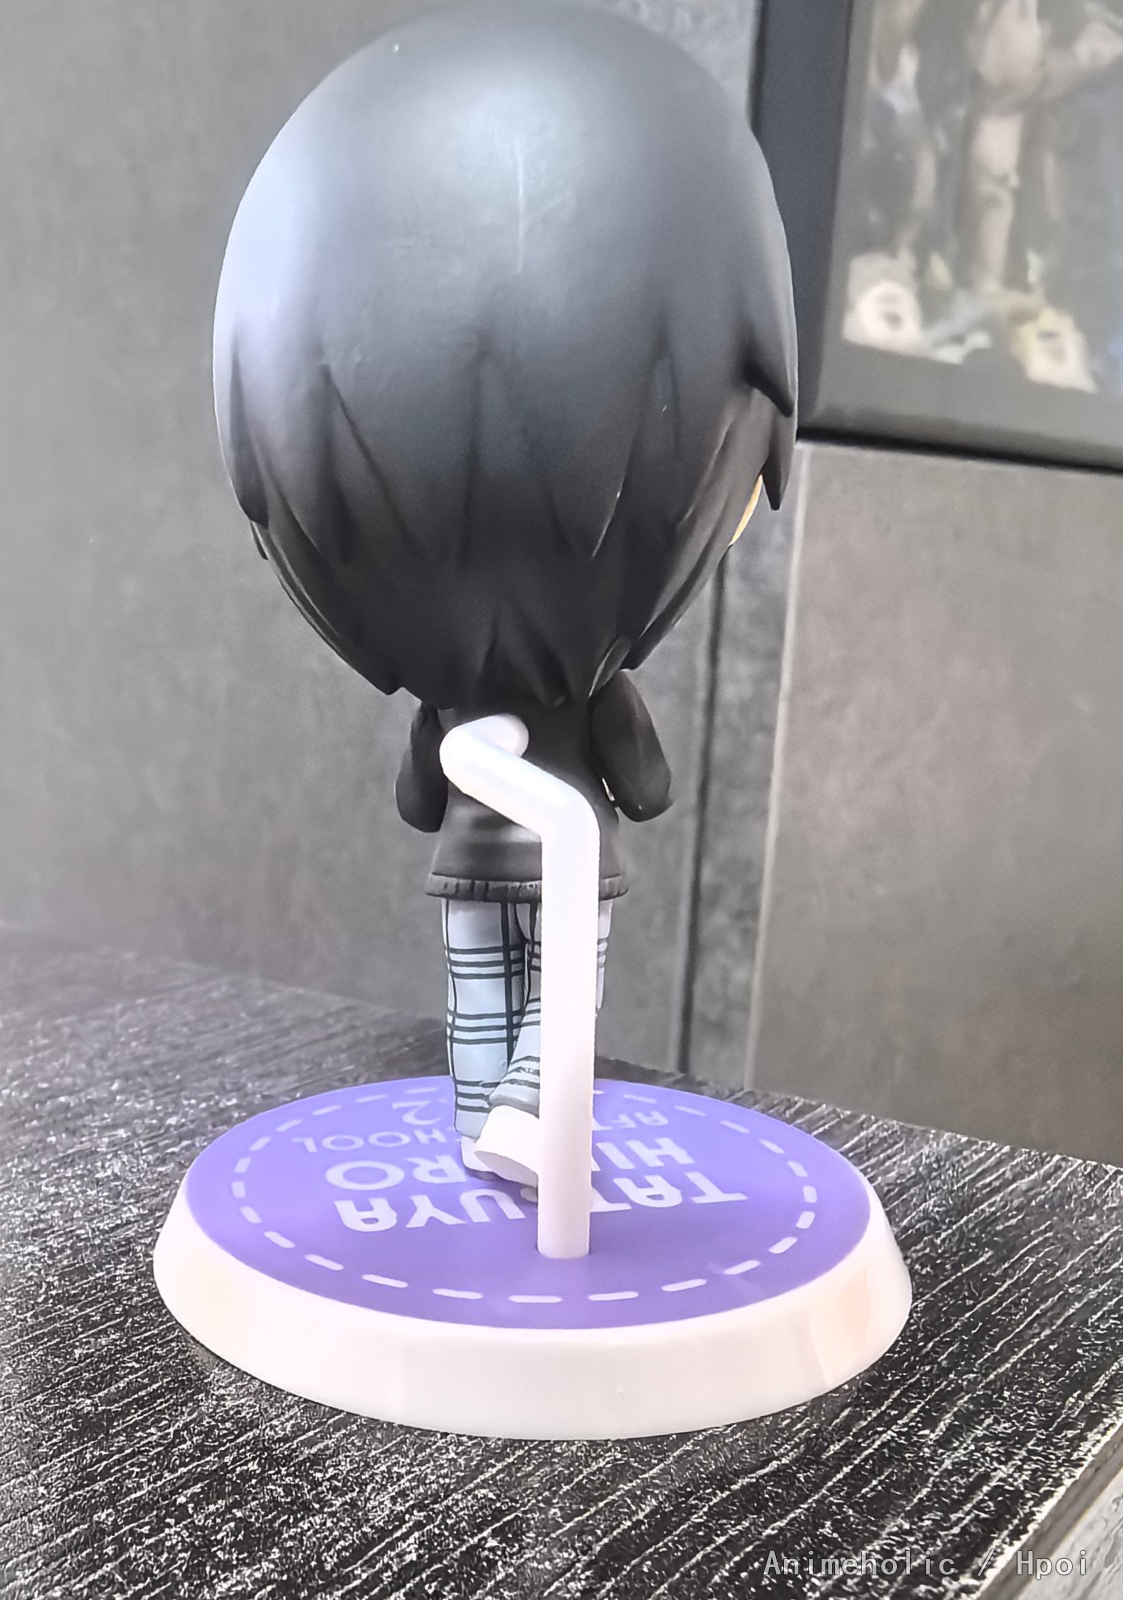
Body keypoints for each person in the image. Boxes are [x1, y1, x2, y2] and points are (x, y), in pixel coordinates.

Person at [212, 0, 797, 1183]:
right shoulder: (564, 699)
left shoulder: (518, 703)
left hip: (502, 873)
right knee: (531, 1001)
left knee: (503, 998)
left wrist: (462, 761)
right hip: (535, 878)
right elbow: (635, 786)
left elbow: (438, 794)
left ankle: (510, 1109)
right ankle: (508, 1116)